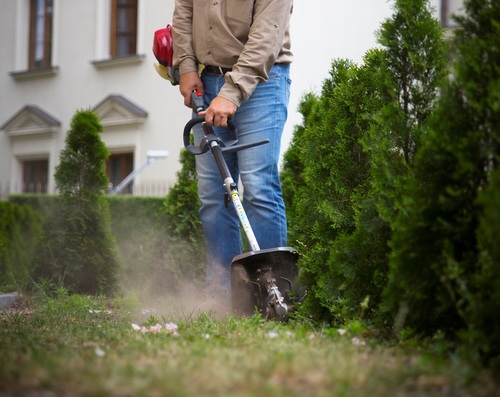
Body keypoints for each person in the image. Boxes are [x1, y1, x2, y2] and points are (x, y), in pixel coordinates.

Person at [172, 0, 294, 307]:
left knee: (258, 187)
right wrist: (185, 67)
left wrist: (232, 92)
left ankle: (273, 295)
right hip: (206, 82)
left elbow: (268, 33)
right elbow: (184, 13)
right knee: (213, 195)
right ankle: (224, 298)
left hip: (262, 82)